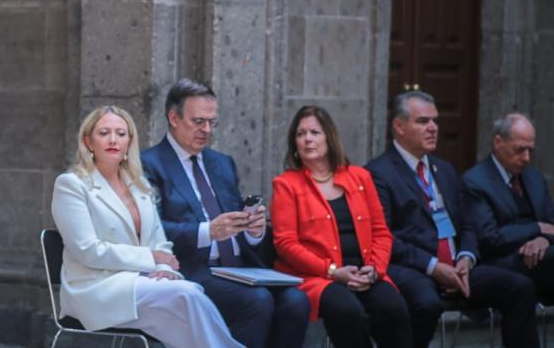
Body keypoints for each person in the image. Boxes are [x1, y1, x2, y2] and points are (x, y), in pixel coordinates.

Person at [51, 106, 242, 348]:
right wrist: (151, 258)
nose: (113, 140)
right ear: (88, 141)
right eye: (104, 133)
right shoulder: (72, 184)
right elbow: (88, 250)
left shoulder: (138, 184)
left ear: (129, 141)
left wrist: (164, 267)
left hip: (140, 282)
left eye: (121, 133)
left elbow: (159, 241)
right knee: (188, 294)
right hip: (95, 287)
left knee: (185, 314)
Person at [141, 79, 309, 348]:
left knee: (297, 301)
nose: (206, 130)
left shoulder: (221, 163)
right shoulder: (149, 164)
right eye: (198, 121)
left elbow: (236, 223)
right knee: (257, 301)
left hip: (239, 268)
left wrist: (253, 229)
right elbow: (152, 230)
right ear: (174, 118)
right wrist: (209, 231)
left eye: (212, 122)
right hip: (191, 270)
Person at [366, 92, 538, 348]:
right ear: (399, 127)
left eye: (435, 121)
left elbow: (467, 224)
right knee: (425, 303)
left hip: (458, 268)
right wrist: (434, 267)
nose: (433, 128)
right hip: (417, 268)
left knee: (519, 287)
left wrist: (466, 258)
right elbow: (384, 238)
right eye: (423, 121)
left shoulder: (444, 169)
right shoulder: (378, 173)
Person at [272, 105, 411, 348]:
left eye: (314, 132)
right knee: (348, 312)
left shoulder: (360, 177)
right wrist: (333, 271)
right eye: (300, 134)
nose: (307, 139)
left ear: (329, 137)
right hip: (317, 277)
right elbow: (286, 245)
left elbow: (381, 231)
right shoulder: (286, 185)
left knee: (394, 309)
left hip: (365, 272)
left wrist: (375, 270)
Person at [463, 113, 554, 302]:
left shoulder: (534, 178)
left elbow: (551, 224)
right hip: (502, 260)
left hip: (541, 256)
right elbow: (489, 238)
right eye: (519, 150)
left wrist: (543, 239)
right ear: (498, 142)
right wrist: (535, 228)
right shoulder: (475, 182)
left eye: (530, 150)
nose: (526, 157)